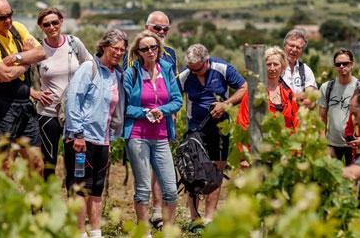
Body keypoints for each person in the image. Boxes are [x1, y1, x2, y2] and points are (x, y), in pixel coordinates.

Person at [64, 29, 127, 238]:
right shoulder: (88, 68)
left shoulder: (116, 74)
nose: (118, 53)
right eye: (115, 48)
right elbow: (73, 100)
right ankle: (80, 233)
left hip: (103, 139)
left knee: (97, 187)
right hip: (81, 139)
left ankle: (96, 232)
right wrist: (78, 134)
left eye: (122, 50)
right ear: (104, 47)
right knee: (80, 186)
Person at [177, 44, 248, 232]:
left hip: (220, 129)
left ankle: (209, 218)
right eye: (191, 70)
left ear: (207, 61)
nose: (195, 73)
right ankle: (194, 219)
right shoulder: (185, 75)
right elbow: (174, 97)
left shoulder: (222, 68)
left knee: (216, 173)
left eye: (198, 69)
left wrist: (226, 104)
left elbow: (244, 87)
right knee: (192, 173)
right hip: (195, 130)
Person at [0, 0, 46, 172]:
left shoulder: (18, 28)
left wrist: (16, 58)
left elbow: (42, 52)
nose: (8, 20)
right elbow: (5, 75)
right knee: (3, 165)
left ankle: (34, 200)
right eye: (2, 17)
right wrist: (28, 61)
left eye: (10, 15)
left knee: (36, 164)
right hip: (1, 107)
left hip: (25, 106)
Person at [123, 31, 183, 229]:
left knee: (171, 190)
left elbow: (177, 100)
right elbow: (124, 107)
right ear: (138, 52)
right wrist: (145, 112)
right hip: (138, 136)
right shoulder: (132, 73)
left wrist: (162, 111)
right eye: (145, 48)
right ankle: (144, 230)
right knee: (143, 189)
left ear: (159, 48)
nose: (150, 51)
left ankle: (168, 230)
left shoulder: (166, 69)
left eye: (153, 47)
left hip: (161, 136)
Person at [32, 8, 92, 180]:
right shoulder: (38, 49)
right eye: (46, 24)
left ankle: (73, 205)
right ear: (41, 27)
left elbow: (90, 68)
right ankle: (46, 204)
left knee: (74, 165)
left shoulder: (74, 43)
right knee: (48, 164)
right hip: (47, 114)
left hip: (74, 115)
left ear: (61, 21)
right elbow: (20, 76)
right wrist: (33, 93)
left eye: (55, 22)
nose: (51, 27)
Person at [237, 46, 299, 131]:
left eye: (276, 64)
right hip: (262, 142)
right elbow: (242, 123)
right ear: (263, 67)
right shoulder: (254, 93)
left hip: (285, 142)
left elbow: (296, 123)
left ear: (282, 67)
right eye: (268, 64)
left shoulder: (289, 94)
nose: (272, 68)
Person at [319, 48, 359, 164]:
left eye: (345, 63)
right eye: (338, 64)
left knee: (352, 179)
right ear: (334, 66)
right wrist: (322, 139)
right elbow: (322, 117)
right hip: (332, 144)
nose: (342, 66)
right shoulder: (326, 88)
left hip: (354, 144)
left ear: (352, 65)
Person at [281, 29, 317, 108]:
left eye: (298, 47)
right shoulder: (275, 67)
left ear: (302, 51)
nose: (294, 49)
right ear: (284, 46)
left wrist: (309, 102)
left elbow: (310, 98)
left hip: (299, 118)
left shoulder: (306, 70)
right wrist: (296, 98)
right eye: (291, 45)